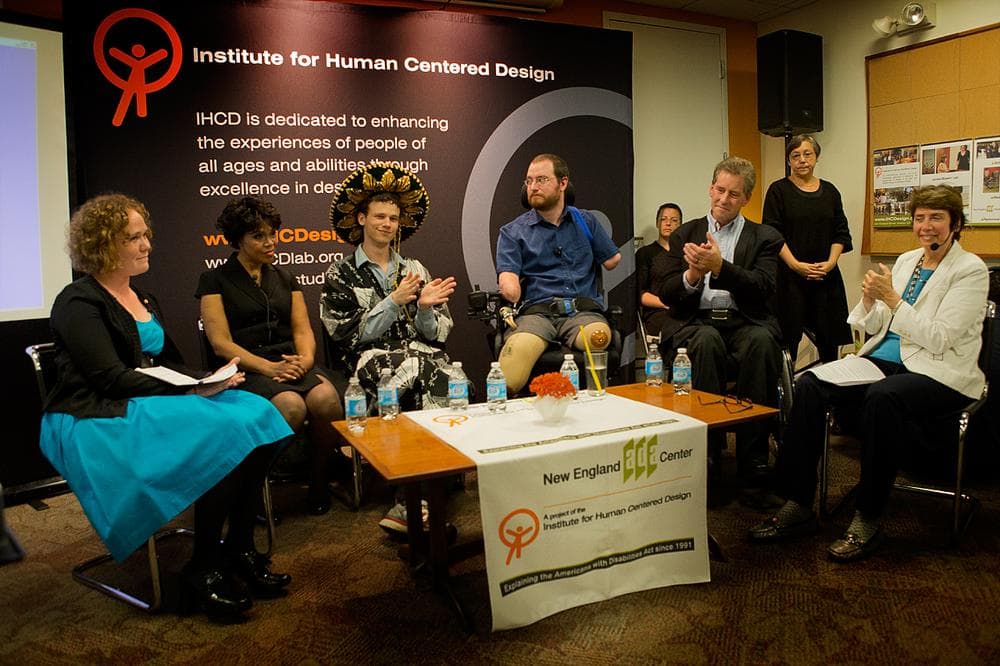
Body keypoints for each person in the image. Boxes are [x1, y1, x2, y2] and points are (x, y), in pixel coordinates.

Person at [40, 194, 294, 618]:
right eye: (133, 238)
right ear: (104, 244)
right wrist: (191, 390)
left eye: (146, 235)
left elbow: (169, 363)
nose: (146, 245)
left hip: (148, 400)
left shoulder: (144, 297)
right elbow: (110, 378)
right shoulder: (78, 301)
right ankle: (205, 567)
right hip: (96, 413)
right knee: (221, 432)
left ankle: (238, 548)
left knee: (260, 413)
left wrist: (210, 381)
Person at [748, 185, 989, 562]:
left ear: (955, 224)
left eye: (937, 219)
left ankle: (868, 517)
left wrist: (892, 298)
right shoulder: (908, 260)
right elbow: (878, 324)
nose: (926, 227)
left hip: (939, 371)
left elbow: (940, 339)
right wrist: (871, 298)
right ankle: (797, 503)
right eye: (920, 218)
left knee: (883, 397)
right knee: (809, 384)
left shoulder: (970, 270)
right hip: (885, 360)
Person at [320, 163, 457, 535]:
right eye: (379, 216)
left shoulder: (414, 268)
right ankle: (422, 497)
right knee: (417, 370)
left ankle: (417, 496)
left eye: (394, 218)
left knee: (441, 371)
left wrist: (426, 308)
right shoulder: (340, 274)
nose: (387, 224)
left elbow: (437, 334)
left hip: (420, 356)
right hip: (367, 362)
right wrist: (394, 301)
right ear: (361, 218)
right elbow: (346, 335)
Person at [197, 197, 344, 516]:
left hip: (291, 363)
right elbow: (220, 343)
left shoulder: (285, 277)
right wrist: (268, 367)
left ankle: (318, 480)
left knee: (326, 400)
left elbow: (303, 330)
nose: (270, 242)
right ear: (238, 239)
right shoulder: (214, 280)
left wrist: (305, 361)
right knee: (291, 406)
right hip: (245, 369)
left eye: (272, 234)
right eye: (259, 236)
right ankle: (252, 483)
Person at [657, 156, 784, 484]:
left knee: (761, 342)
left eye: (733, 194)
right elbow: (667, 292)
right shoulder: (686, 232)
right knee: (706, 341)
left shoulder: (764, 237)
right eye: (720, 190)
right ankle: (708, 452)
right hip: (695, 322)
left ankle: (754, 457)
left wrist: (720, 268)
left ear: (747, 199)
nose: (724, 200)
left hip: (745, 320)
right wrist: (692, 274)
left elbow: (765, 288)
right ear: (711, 188)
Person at [495, 153, 622, 394]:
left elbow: (613, 260)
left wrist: (600, 253)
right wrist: (508, 283)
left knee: (599, 337)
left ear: (563, 183)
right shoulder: (513, 232)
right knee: (509, 371)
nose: (533, 187)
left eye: (541, 179)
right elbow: (508, 278)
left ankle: (598, 411)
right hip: (537, 315)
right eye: (529, 181)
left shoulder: (585, 221)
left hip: (581, 313)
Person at [763, 135, 853, 363]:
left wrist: (831, 263)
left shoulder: (830, 191)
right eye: (795, 155)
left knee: (830, 345)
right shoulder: (778, 190)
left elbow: (841, 232)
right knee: (786, 343)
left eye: (807, 154)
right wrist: (795, 265)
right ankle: (787, 396)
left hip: (825, 277)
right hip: (789, 278)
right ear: (788, 160)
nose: (802, 160)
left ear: (816, 157)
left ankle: (829, 393)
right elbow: (772, 234)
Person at [636, 203, 683, 338]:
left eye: (674, 220)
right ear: (657, 223)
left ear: (680, 225)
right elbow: (641, 294)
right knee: (675, 330)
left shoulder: (687, 253)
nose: (668, 223)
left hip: (685, 311)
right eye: (664, 219)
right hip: (657, 312)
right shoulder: (645, 253)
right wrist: (666, 304)